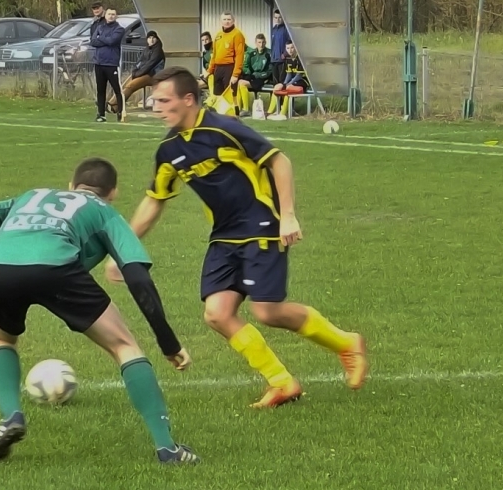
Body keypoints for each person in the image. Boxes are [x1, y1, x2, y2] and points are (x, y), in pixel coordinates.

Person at [105, 67, 369, 409]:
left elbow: (279, 161)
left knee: (268, 311)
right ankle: (282, 382)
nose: (156, 106)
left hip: (262, 224)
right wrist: (122, 249)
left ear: (188, 99)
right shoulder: (169, 150)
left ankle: (346, 343)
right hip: (224, 236)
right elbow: (154, 201)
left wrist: (287, 215)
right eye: (155, 100)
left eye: (164, 100)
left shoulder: (224, 129)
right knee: (217, 313)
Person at [0, 157, 199, 464]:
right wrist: (168, 342)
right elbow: (137, 276)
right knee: (124, 346)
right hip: (56, 269)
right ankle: (167, 448)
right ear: (113, 192)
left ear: (72, 186)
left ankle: (11, 417)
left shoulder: (32, 195)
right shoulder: (105, 211)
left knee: (1, 340)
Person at [108, 30, 165, 114]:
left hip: (153, 75)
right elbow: (139, 63)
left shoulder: (158, 51)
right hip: (143, 74)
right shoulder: (146, 49)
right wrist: (134, 71)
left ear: (157, 39)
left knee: (131, 86)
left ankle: (115, 104)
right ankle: (114, 106)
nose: (151, 40)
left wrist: (137, 74)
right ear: (147, 39)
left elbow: (149, 65)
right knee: (125, 85)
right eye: (149, 38)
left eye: (153, 38)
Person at [207, 12, 246, 113]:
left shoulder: (237, 34)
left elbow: (239, 55)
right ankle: (219, 114)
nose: (227, 22)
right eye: (224, 19)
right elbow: (214, 54)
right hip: (218, 68)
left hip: (230, 67)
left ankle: (234, 113)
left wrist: (235, 74)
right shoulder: (218, 35)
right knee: (218, 94)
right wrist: (210, 70)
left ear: (233, 21)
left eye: (229, 19)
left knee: (230, 94)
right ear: (221, 21)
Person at [91, 8, 125, 122]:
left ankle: (120, 112)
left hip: (111, 63)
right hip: (99, 63)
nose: (111, 16)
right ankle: (101, 114)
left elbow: (112, 41)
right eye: (109, 14)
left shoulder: (119, 29)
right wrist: (102, 39)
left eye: (113, 14)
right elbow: (93, 41)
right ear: (105, 15)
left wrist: (101, 38)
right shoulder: (100, 27)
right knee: (101, 90)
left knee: (117, 89)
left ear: (116, 16)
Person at [268, 41, 309, 120]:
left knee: (288, 88)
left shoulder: (300, 58)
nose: (290, 50)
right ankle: (269, 112)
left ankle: (282, 114)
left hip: (302, 81)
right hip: (293, 82)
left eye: (292, 47)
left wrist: (287, 84)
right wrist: (284, 84)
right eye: (288, 48)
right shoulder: (288, 59)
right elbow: (289, 74)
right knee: (277, 87)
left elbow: (299, 76)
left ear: (295, 48)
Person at [236, 33, 272, 117]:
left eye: (263, 42)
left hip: (263, 78)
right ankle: (239, 108)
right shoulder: (252, 53)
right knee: (239, 82)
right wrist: (249, 73)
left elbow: (270, 71)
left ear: (265, 42)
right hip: (252, 76)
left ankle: (246, 109)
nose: (261, 44)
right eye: (259, 42)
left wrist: (258, 75)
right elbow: (245, 66)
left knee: (241, 83)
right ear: (256, 43)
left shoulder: (269, 53)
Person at [270, 9, 290, 85]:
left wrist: (284, 54)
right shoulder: (273, 29)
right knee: (275, 82)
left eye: (279, 17)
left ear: (283, 17)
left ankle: (283, 97)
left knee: (282, 83)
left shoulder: (286, 29)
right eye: (276, 17)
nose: (277, 19)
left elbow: (291, 43)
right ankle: (276, 97)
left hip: (282, 60)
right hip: (274, 60)